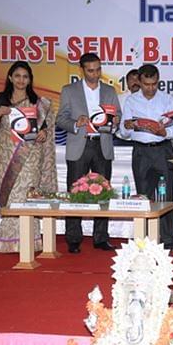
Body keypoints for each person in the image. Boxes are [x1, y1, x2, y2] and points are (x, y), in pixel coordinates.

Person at [0, 61, 57, 253]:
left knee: (27, 195)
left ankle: (30, 240)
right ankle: (8, 240)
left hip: (31, 157)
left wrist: (43, 133)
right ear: (10, 77)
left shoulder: (37, 102)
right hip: (7, 155)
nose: (21, 80)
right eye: (17, 76)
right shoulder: (1, 98)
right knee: (11, 195)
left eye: (25, 77)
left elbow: (44, 129)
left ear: (30, 80)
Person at [56, 52, 121, 253]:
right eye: (91, 70)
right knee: (75, 193)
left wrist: (116, 121)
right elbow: (60, 119)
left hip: (102, 144)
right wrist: (76, 123)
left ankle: (101, 237)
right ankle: (73, 238)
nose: (95, 74)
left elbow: (118, 114)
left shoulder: (110, 90)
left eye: (98, 70)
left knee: (104, 192)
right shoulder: (69, 90)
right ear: (81, 70)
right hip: (79, 145)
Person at [119, 64, 173, 251]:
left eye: (154, 84)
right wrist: (127, 126)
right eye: (146, 84)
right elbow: (123, 132)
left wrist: (164, 132)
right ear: (139, 82)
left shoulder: (167, 99)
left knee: (166, 197)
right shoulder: (131, 101)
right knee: (143, 197)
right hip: (141, 152)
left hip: (163, 150)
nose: (150, 88)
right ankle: (144, 240)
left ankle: (168, 240)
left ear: (158, 81)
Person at [116, 69, 140, 143]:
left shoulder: (149, 99)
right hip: (121, 139)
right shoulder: (119, 99)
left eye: (137, 79)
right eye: (131, 79)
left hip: (142, 140)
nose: (135, 82)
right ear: (127, 83)